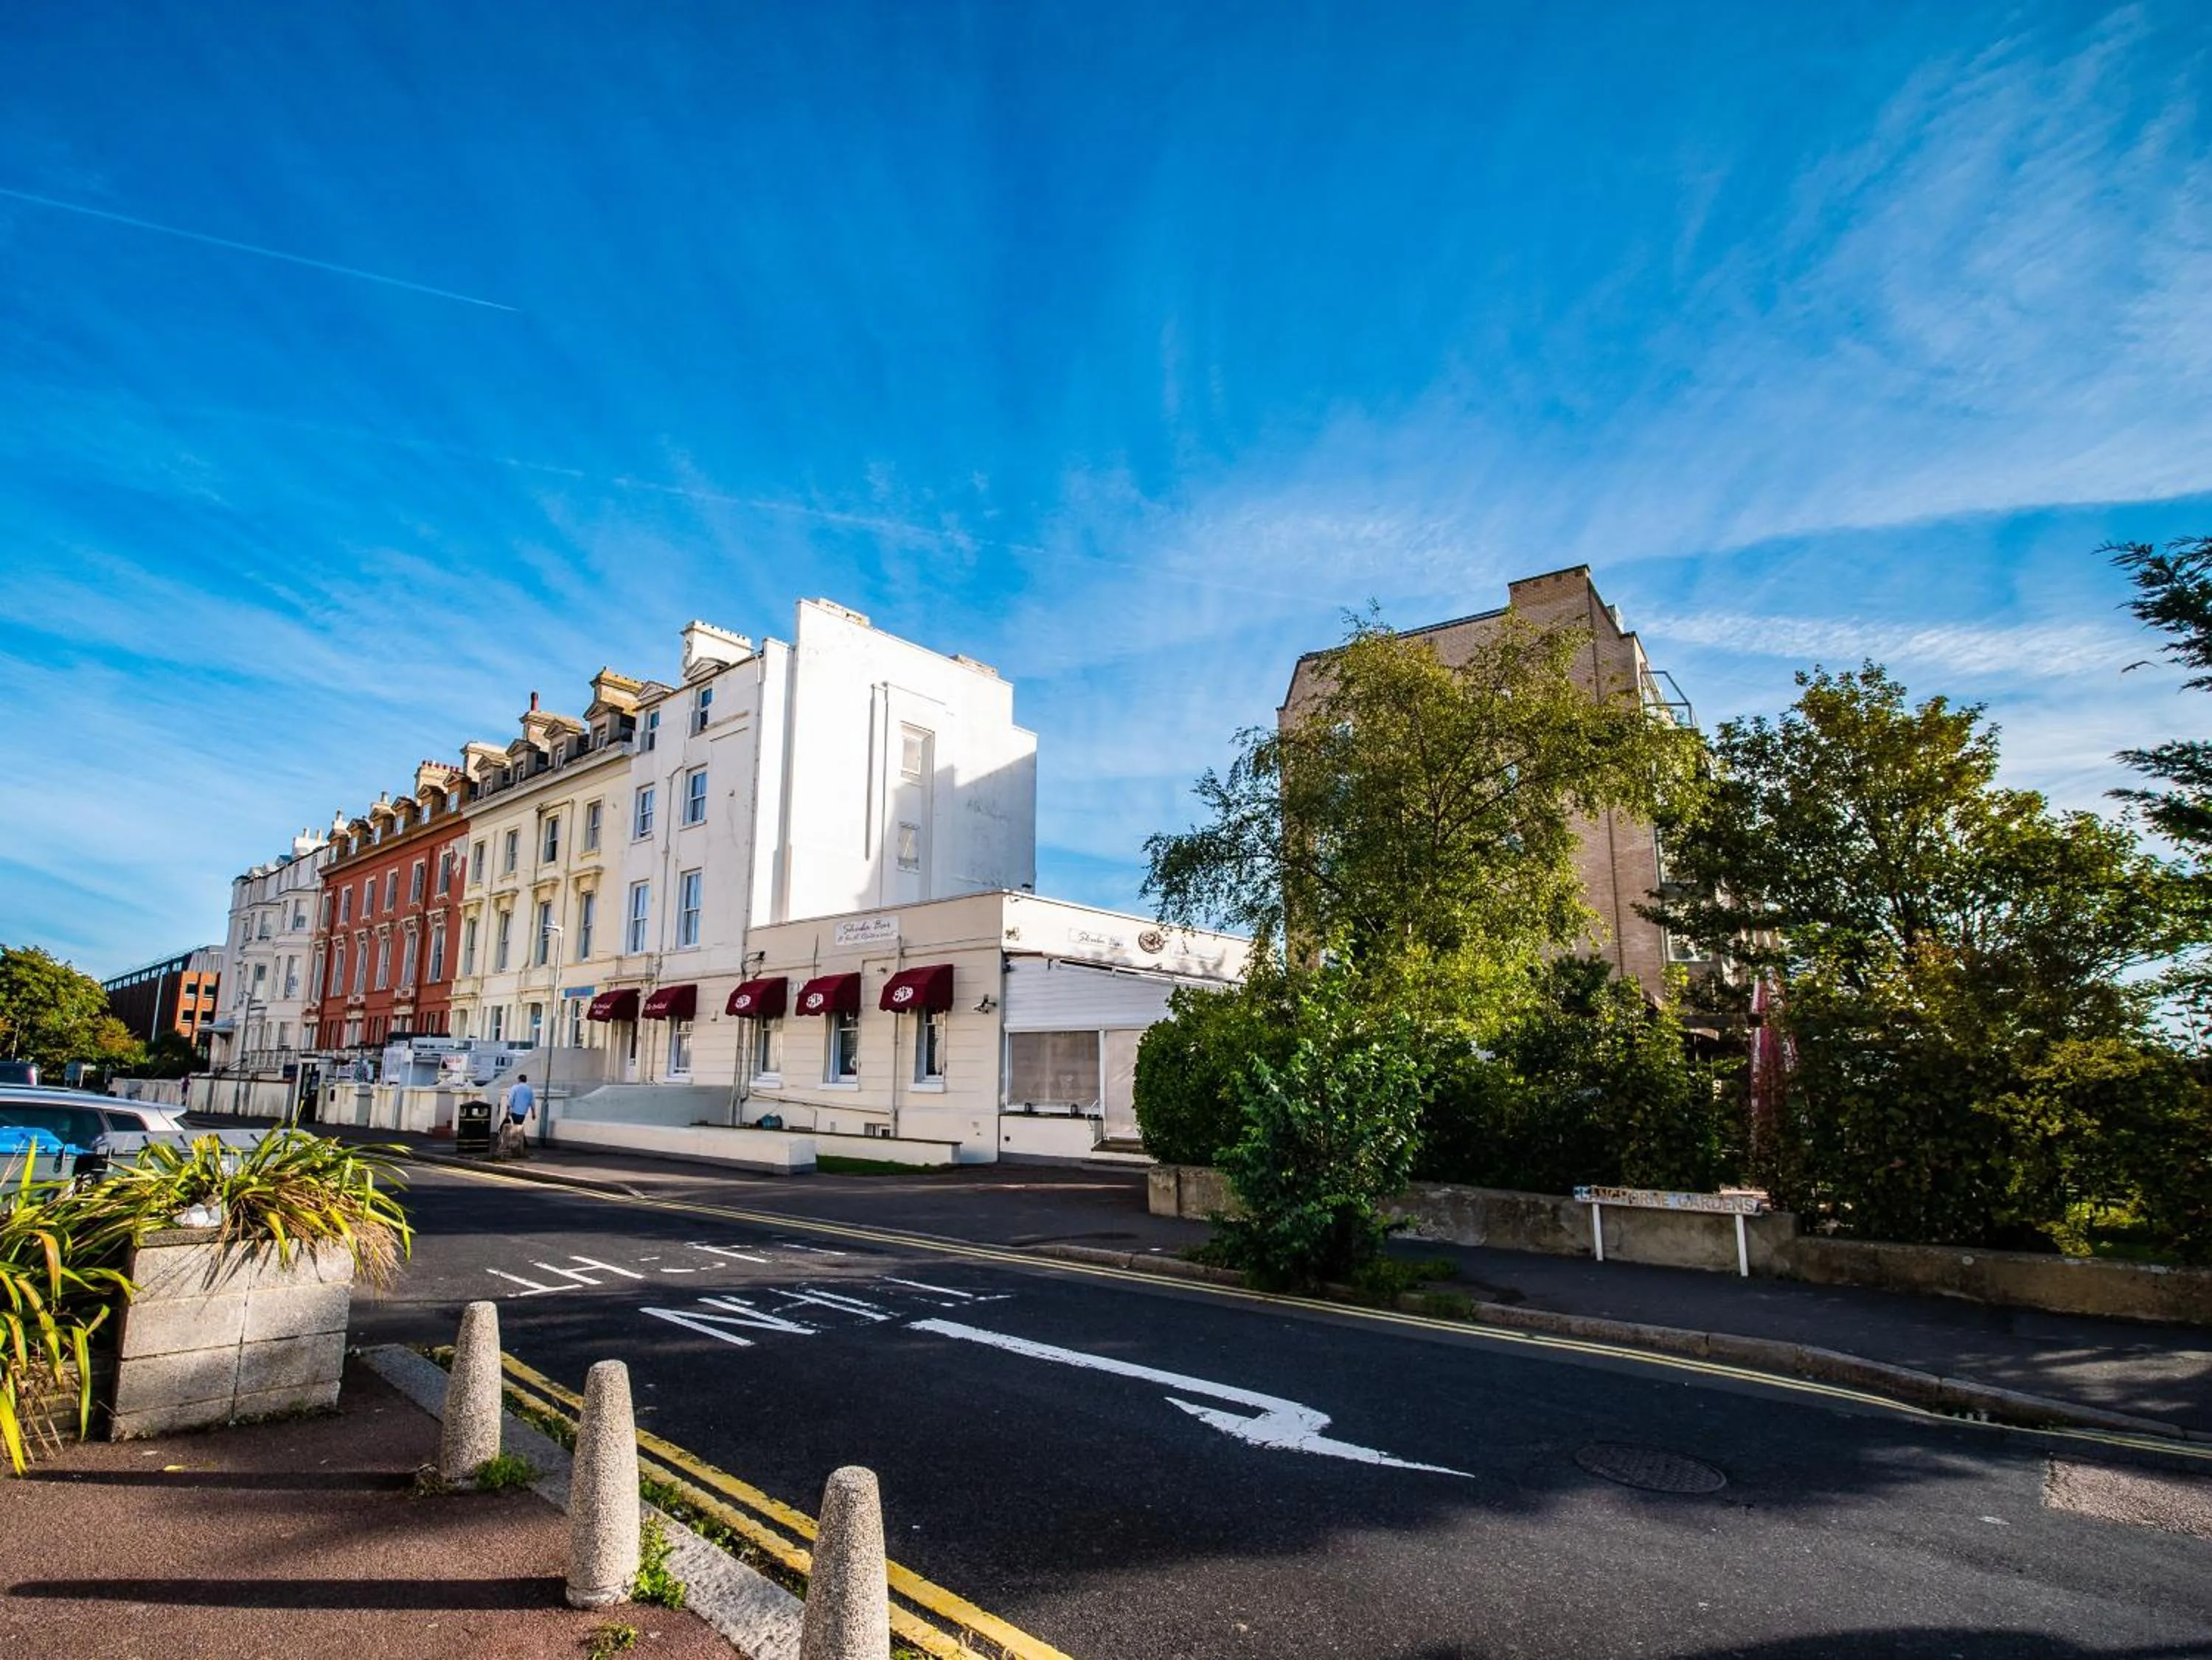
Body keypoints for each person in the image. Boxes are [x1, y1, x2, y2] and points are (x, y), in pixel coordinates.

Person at [503, 1073, 535, 1158]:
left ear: (519, 1080)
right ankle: (524, 1142)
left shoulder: (515, 1088)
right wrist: (533, 1113)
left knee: (517, 1126)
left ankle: (516, 1144)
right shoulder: (529, 1089)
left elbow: (510, 1100)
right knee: (519, 1125)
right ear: (526, 1080)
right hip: (523, 1111)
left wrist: (507, 1111)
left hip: (515, 1111)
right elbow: (532, 1101)